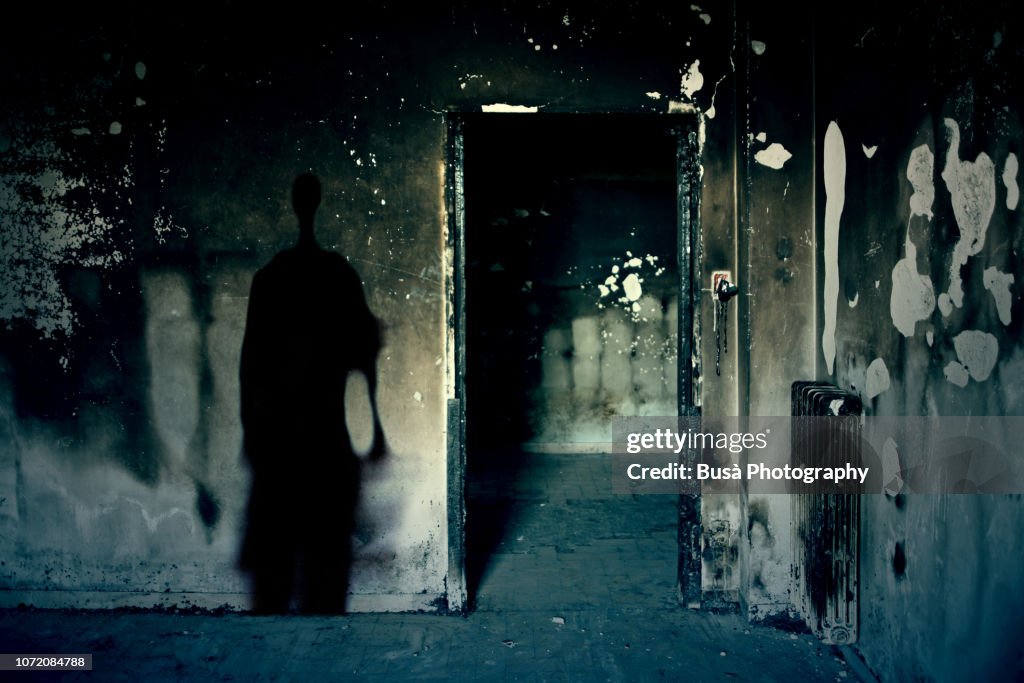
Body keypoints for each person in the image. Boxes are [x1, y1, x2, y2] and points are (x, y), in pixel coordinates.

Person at [238, 172, 385, 614]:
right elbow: (366, 357)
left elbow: (250, 364)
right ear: (318, 203)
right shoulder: (338, 273)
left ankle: (279, 630)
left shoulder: (271, 277)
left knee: (280, 545)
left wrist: (249, 428)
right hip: (325, 428)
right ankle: (319, 626)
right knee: (324, 543)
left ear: (294, 203)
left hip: (279, 429)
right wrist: (377, 428)